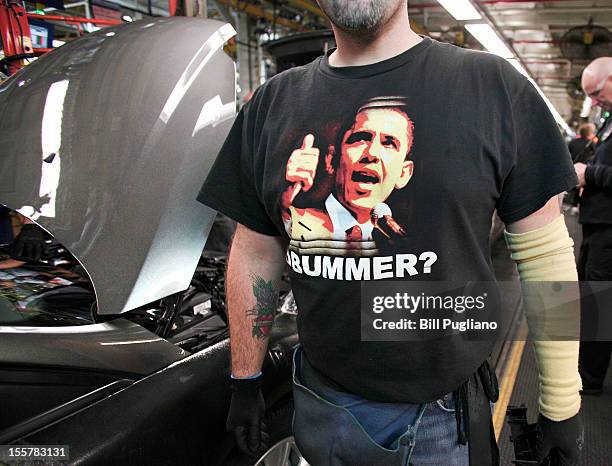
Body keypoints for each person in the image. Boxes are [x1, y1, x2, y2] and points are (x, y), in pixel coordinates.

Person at [197, 1, 584, 464]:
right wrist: (246, 378)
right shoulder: (271, 105)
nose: (369, 155)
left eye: (388, 144)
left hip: (441, 422)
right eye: (358, 140)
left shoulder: (494, 87)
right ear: (335, 155)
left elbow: (546, 260)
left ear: (404, 172)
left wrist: (562, 402)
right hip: (316, 402)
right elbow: (256, 250)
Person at [281, 98, 414, 244]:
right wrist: (283, 198)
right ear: (331, 159)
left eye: (389, 143)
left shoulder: (396, 241)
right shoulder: (296, 219)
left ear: (403, 173)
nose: (372, 153)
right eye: (361, 138)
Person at [575, 57, 612, 395]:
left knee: (601, 304)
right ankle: (582, 366)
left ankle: (590, 376)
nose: (595, 102)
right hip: (597, 227)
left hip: (609, 233)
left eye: (597, 94)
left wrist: (591, 174)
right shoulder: (608, 123)